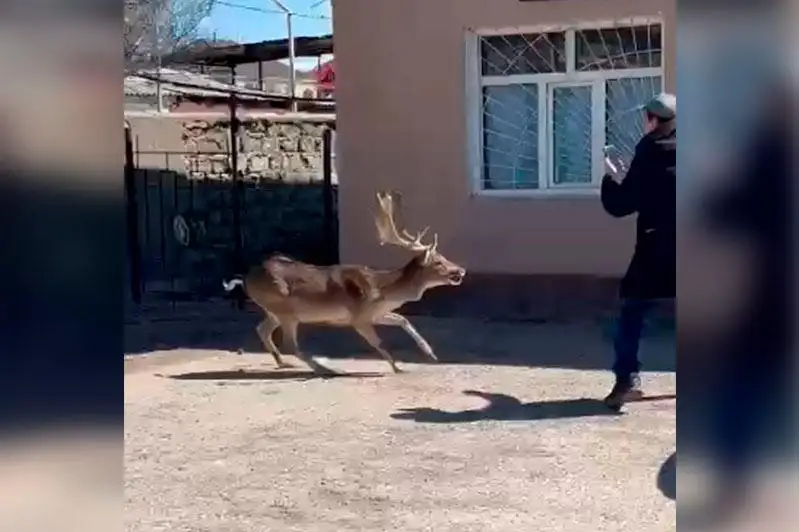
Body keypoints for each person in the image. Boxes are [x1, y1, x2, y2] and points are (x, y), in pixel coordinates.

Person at [600, 92, 676, 410]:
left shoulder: (648, 151)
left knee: (632, 309)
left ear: (653, 120)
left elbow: (621, 205)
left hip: (655, 247)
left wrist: (610, 177)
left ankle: (627, 381)